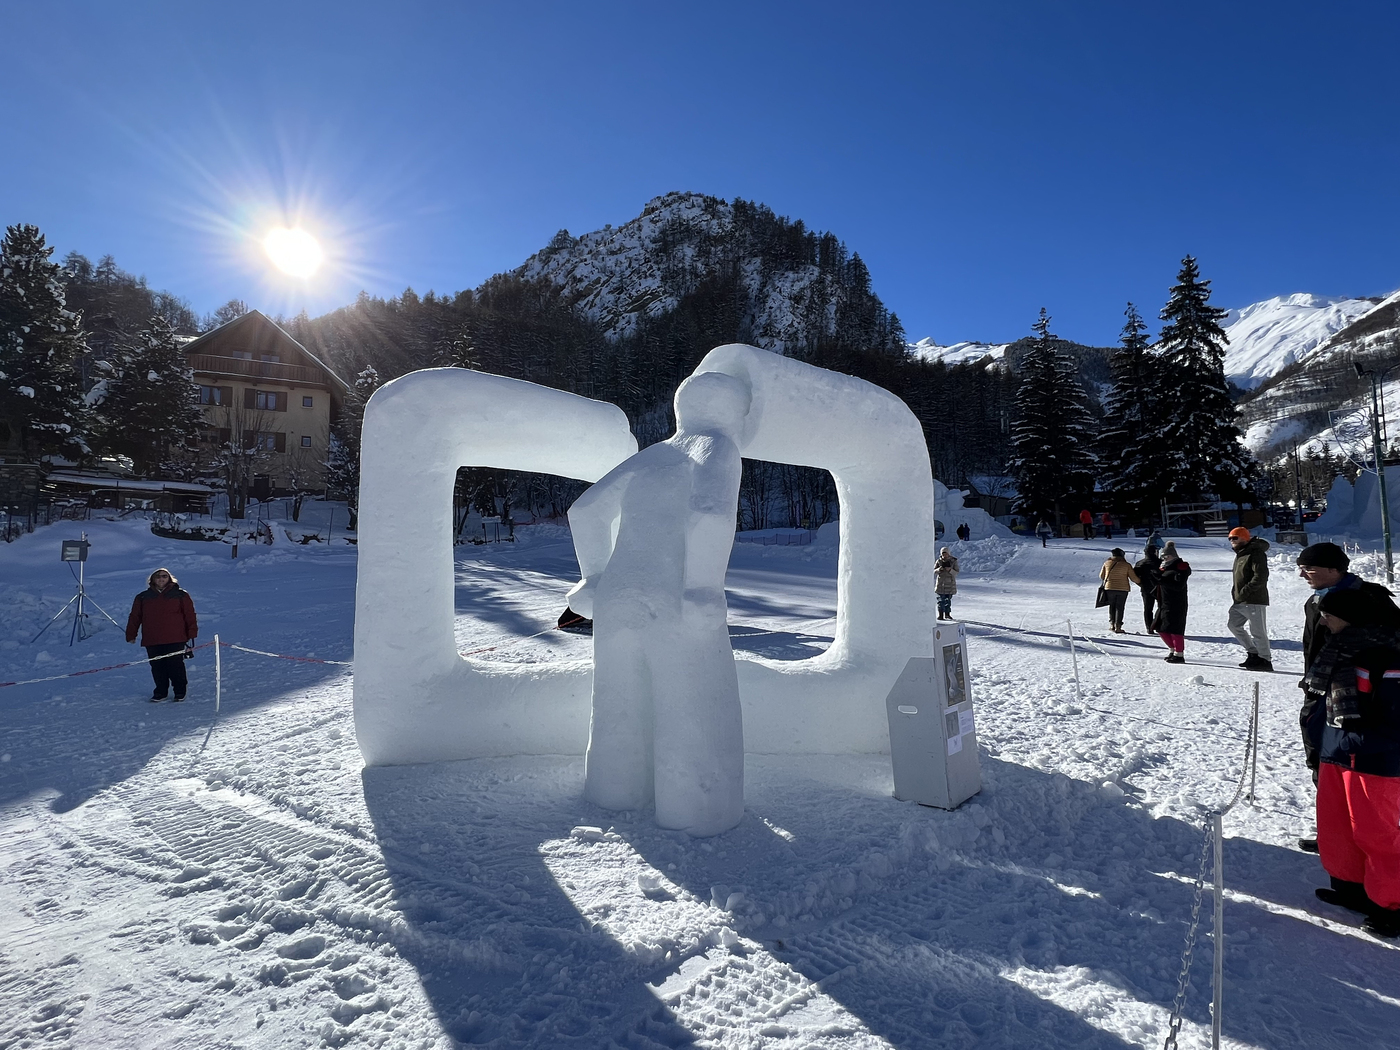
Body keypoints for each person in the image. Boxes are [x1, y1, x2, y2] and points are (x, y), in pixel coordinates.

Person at [566, 371, 750, 835]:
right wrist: (703, 587)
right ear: (731, 411)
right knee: (692, 706)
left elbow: (585, 511)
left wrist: (594, 577)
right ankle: (694, 809)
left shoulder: (651, 456)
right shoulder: (716, 448)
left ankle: (613, 791)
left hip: (617, 596)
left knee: (618, 703)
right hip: (676, 597)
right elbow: (710, 511)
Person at [1301, 587, 1400, 938]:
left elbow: (1394, 717)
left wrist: (1364, 742)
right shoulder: (1340, 646)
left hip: (1374, 759)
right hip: (1337, 751)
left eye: (1330, 613)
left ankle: (1391, 905)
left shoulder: (1388, 652)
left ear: (1353, 616)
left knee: (1378, 835)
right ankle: (1351, 887)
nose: (1324, 619)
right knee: (1337, 826)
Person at [1294, 542, 1400, 852]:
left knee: (1366, 772)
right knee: (1322, 762)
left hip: (1364, 700)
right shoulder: (1316, 601)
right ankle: (1336, 829)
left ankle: (1372, 837)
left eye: (1309, 569)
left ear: (1334, 569)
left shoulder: (1372, 599)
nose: (1302, 574)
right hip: (1322, 693)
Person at [125, 567, 198, 702]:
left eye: (164, 576)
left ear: (169, 578)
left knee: (175, 665)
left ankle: (180, 691)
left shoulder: (181, 595)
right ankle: (161, 691)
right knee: (157, 666)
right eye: (158, 576)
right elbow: (135, 617)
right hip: (152, 637)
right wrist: (131, 634)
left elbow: (190, 615)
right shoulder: (142, 597)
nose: (161, 578)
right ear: (152, 580)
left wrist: (191, 633)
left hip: (175, 637)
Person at [1227, 526, 1272, 671]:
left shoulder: (1255, 553)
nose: (1232, 541)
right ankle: (1253, 653)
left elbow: (1261, 576)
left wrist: (1245, 591)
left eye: (1235, 537)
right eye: (1230, 538)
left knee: (1258, 631)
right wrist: (1237, 593)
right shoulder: (1241, 554)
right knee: (1233, 625)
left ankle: (1265, 660)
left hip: (1254, 599)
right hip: (1240, 600)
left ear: (1245, 538)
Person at [1153, 540, 1191, 662]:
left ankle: (1179, 654)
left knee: (1175, 629)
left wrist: (1161, 580)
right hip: (1164, 602)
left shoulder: (1181, 567)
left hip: (1176, 603)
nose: (1164, 558)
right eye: (1163, 556)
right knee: (1159, 627)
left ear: (1173, 555)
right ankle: (1172, 649)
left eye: (1166, 556)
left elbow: (1178, 585)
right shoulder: (1165, 568)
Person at [1098, 547, 1139, 633]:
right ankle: (1118, 626)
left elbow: (1101, 576)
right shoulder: (1126, 565)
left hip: (1109, 588)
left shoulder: (1107, 563)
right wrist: (1141, 582)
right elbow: (1134, 578)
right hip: (1123, 589)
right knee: (1120, 607)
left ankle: (1112, 624)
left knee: (1112, 606)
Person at [1134, 544, 1162, 634]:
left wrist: (1141, 584)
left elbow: (1135, 577)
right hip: (1159, 588)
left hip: (1146, 588)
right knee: (1162, 607)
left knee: (1148, 608)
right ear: (1155, 552)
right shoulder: (1160, 562)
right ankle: (1158, 625)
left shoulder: (1140, 563)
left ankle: (1149, 627)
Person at [935, 546, 960, 620]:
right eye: (943, 554)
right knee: (940, 601)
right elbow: (934, 570)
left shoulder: (953, 561)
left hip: (950, 584)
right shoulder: (939, 561)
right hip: (940, 584)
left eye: (946, 553)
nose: (944, 555)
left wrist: (950, 570)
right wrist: (939, 569)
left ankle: (947, 614)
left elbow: (956, 572)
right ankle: (940, 614)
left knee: (947, 601)